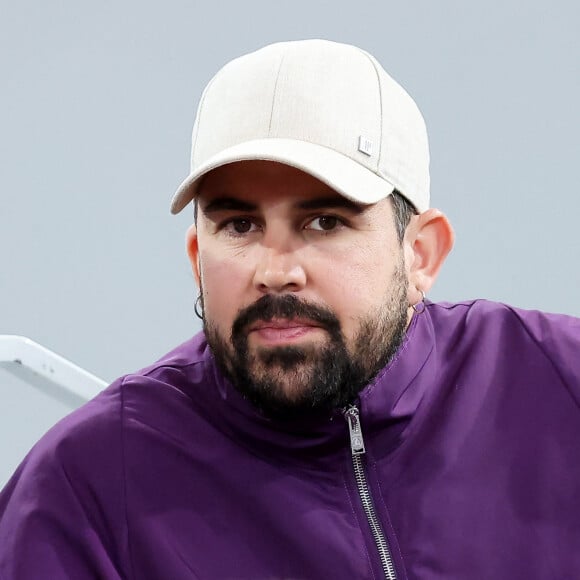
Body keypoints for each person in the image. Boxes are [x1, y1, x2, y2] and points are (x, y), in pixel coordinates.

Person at [1, 39, 579, 580]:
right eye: (240, 225)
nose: (276, 271)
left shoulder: (560, 384)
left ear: (421, 253)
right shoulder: (84, 489)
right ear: (198, 255)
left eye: (325, 222)